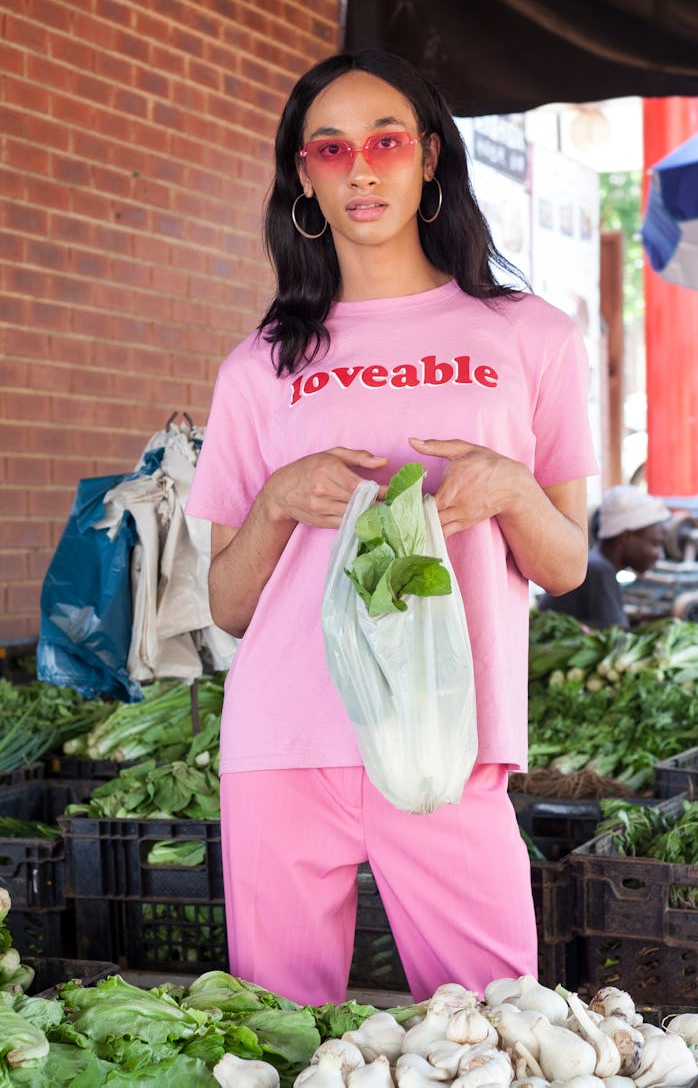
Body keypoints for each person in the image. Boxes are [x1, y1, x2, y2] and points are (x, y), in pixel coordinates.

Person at [185, 49, 598, 1006]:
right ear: (303, 177)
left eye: (385, 141)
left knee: (495, 1026)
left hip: (445, 740)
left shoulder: (531, 336)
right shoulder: (260, 365)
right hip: (282, 742)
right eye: (330, 149)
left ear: (431, 159)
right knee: (278, 1041)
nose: (360, 168)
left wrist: (507, 488)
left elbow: (568, 562)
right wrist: (280, 500)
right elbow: (228, 604)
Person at [537, 485, 670, 629]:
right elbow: (617, 637)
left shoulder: (595, 562)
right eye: (655, 544)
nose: (660, 554)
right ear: (626, 537)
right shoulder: (599, 570)